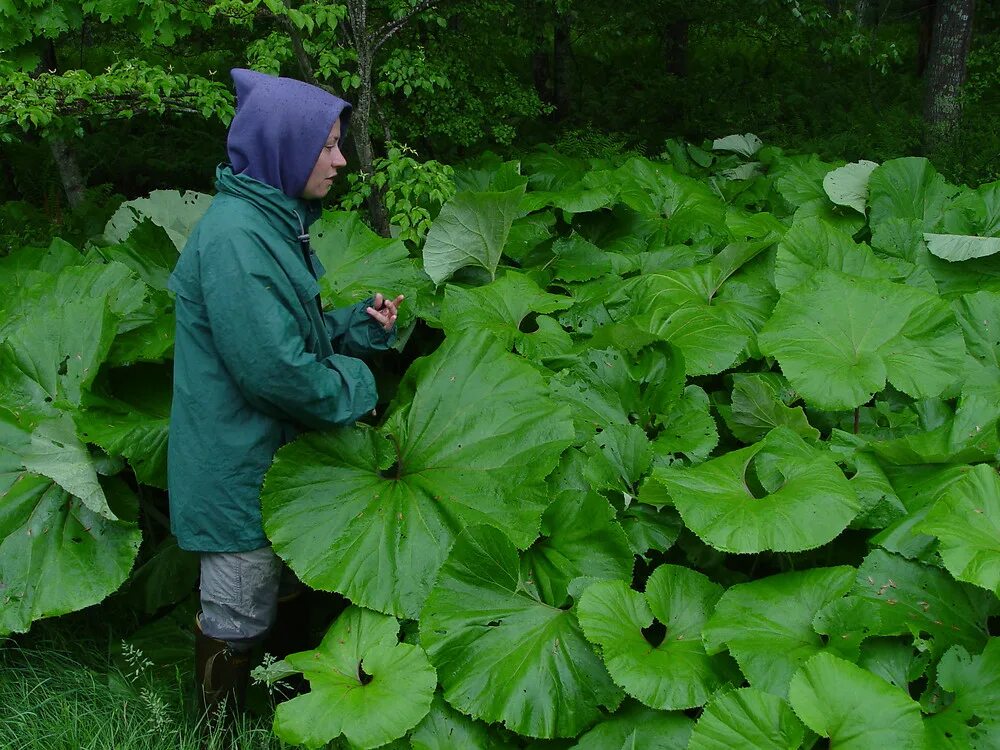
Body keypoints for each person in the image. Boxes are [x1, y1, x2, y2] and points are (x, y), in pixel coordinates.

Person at [166, 68, 403, 718]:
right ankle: (214, 727)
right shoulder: (238, 241)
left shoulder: (269, 221)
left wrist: (357, 327)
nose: (341, 159)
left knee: (284, 585)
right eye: (326, 145)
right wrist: (359, 384)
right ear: (284, 148)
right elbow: (276, 372)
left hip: (270, 455)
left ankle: (277, 705)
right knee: (237, 608)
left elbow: (286, 333)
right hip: (234, 464)